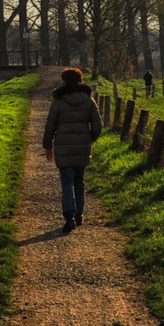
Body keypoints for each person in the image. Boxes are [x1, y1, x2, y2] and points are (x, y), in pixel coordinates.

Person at [43, 67, 102, 234]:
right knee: (79, 181)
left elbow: (50, 126)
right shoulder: (89, 101)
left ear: (64, 81)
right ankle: (79, 215)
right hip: (83, 145)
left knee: (67, 181)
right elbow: (97, 125)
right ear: (80, 80)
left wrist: (48, 145)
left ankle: (69, 215)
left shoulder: (58, 101)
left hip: (63, 145)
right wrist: (90, 138)